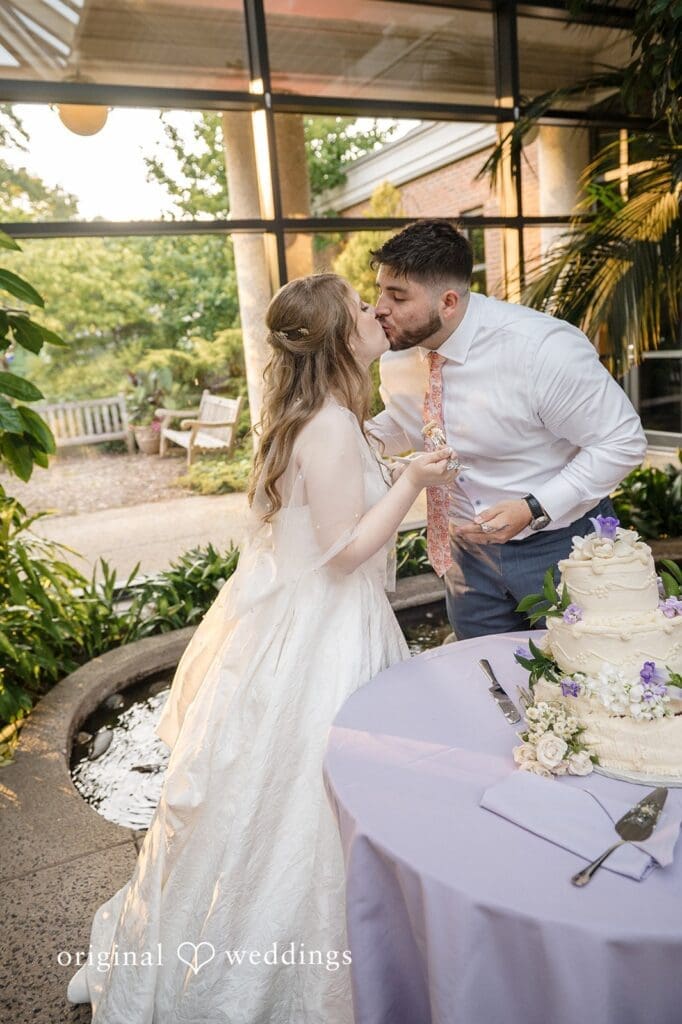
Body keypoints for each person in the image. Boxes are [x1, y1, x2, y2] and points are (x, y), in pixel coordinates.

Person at [66, 273, 458, 1023]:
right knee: (315, 807)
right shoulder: (334, 425)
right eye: (361, 310)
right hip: (328, 635)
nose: (377, 314)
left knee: (278, 809)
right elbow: (344, 553)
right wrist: (410, 482)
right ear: (342, 338)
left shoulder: (321, 414)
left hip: (304, 627)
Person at [367, 219, 648, 640]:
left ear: (447, 301)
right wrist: (347, 436)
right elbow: (417, 424)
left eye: (397, 295)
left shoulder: (540, 350)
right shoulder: (397, 355)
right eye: (379, 290)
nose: (378, 308)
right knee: (483, 683)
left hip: (560, 546)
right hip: (465, 559)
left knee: (579, 682)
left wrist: (534, 507)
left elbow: (622, 442)